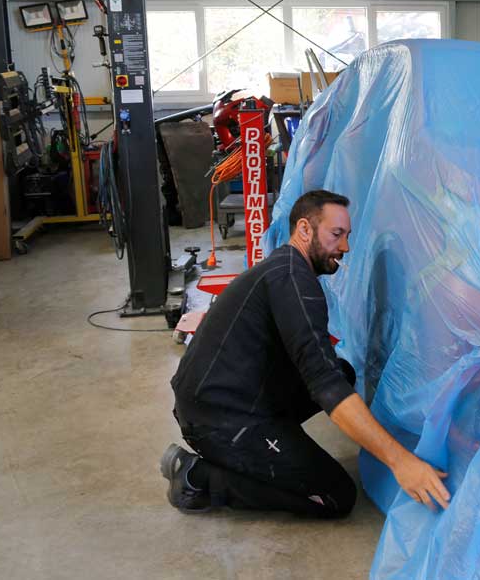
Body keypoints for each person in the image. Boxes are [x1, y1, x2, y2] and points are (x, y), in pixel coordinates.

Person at [163, 189, 450, 517]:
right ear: (304, 229)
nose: (345, 247)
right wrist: (402, 461)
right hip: (216, 418)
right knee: (336, 496)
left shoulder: (287, 268)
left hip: (218, 396)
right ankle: (199, 477)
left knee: (343, 371)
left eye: (347, 236)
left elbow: (325, 371)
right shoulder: (292, 279)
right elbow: (324, 384)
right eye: (336, 235)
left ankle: (270, 450)